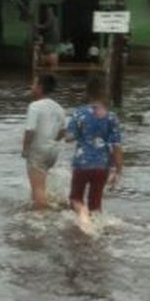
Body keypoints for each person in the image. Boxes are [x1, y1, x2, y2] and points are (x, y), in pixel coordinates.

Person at [67, 76, 124, 225]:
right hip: (102, 165)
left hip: (82, 164)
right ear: (104, 92)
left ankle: (82, 215)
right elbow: (116, 145)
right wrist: (118, 170)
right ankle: (95, 235)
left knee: (75, 199)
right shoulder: (111, 117)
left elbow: (69, 137)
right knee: (96, 205)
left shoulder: (79, 113)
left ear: (87, 92)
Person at [21, 74, 67, 210]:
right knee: (40, 184)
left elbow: (30, 130)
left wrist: (25, 149)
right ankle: (42, 205)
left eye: (34, 84)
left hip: (38, 150)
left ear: (40, 88)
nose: (32, 87)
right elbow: (62, 132)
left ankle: (41, 218)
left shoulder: (35, 106)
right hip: (53, 151)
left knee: (38, 188)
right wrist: (51, 142)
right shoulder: (59, 108)